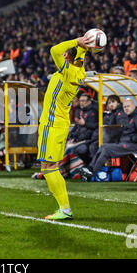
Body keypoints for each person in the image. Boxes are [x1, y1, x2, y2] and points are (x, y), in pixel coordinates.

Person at [36, 33, 93, 220]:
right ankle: (64, 208)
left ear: (67, 57)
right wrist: (83, 48)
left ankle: (65, 209)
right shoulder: (79, 72)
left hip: (51, 124)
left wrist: (77, 42)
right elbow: (79, 59)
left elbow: (54, 50)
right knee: (50, 167)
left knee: (48, 167)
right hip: (60, 123)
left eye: (65, 54)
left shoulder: (67, 71)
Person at [79, 99, 137, 180]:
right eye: (124, 107)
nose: (126, 108)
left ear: (134, 106)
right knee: (104, 146)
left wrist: (129, 139)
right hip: (130, 144)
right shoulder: (131, 117)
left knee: (107, 149)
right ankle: (90, 168)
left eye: (128, 106)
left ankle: (92, 172)